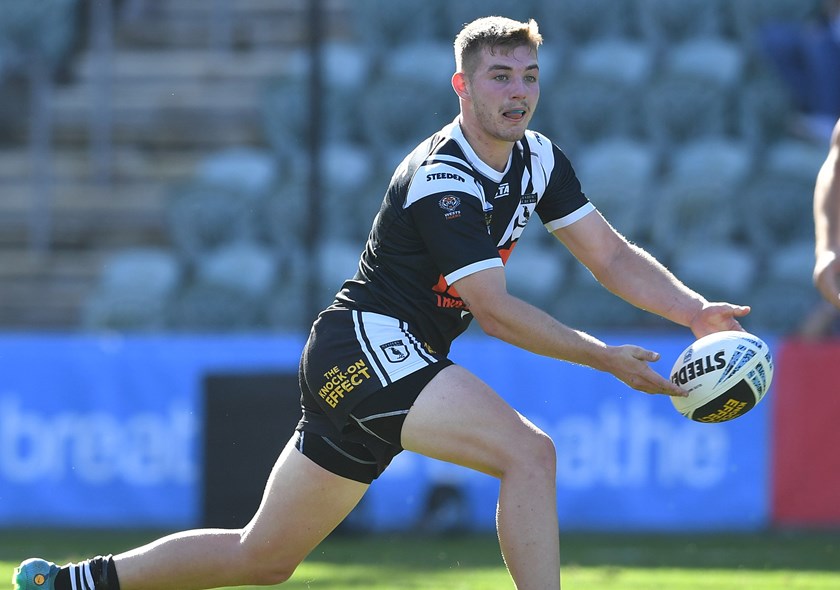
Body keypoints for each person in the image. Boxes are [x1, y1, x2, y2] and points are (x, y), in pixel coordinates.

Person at [13, 16, 750, 590]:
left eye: (528, 75)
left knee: (263, 557)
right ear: (462, 87)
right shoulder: (443, 177)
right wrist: (603, 358)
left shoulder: (540, 159)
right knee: (530, 454)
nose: (518, 91)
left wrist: (691, 312)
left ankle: (76, 581)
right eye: (499, 77)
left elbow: (611, 255)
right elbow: (491, 310)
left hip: (383, 357)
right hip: (366, 345)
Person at [757, 0, 840, 144]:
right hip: (825, 29)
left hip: (831, 44)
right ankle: (810, 110)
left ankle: (826, 120)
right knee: (773, 38)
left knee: (821, 46)